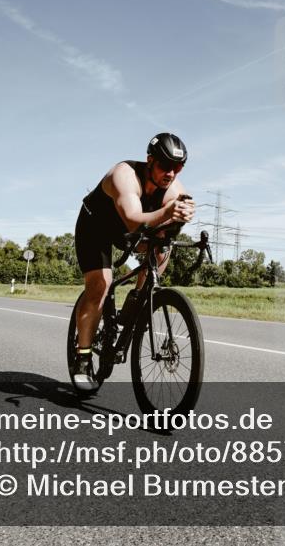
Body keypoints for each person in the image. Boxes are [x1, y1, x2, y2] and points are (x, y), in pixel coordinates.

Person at [71, 133, 195, 390]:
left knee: (163, 245)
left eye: (178, 167)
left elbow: (165, 228)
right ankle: (82, 358)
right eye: (165, 166)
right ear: (150, 160)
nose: (171, 173)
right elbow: (132, 220)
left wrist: (180, 218)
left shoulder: (175, 190)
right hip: (96, 226)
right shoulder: (124, 175)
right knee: (100, 285)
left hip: (129, 231)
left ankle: (137, 299)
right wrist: (168, 211)